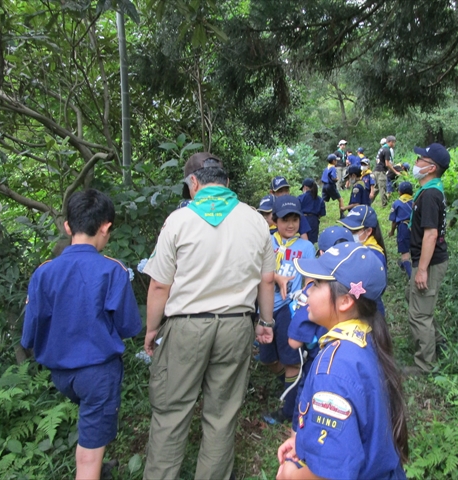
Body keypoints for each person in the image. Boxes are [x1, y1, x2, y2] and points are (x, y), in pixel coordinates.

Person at [141, 152, 275, 480]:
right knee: (222, 416)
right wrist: (266, 322)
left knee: (171, 413)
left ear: (193, 184)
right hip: (236, 327)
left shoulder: (179, 221)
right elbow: (267, 279)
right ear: (227, 183)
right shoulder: (256, 220)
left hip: (185, 329)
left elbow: (159, 285)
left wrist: (151, 330)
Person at [21, 189, 142, 480]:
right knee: (89, 455)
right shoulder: (112, 270)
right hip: (97, 375)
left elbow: (29, 336)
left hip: (61, 374)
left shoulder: (44, 272)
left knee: (91, 431)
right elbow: (128, 327)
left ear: (67, 227)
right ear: (106, 227)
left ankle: (100, 469)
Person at [276, 243, 408, 480]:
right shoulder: (365, 339)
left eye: (315, 285)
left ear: (346, 301)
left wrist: (290, 475)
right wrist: (304, 441)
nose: (307, 293)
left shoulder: (334, 370)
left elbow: (330, 474)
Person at [285, 226, 353, 433]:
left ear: (321, 254)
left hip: (317, 362)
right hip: (346, 373)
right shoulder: (362, 293)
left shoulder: (312, 296)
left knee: (308, 401)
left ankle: (299, 436)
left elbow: (294, 342)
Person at [260, 195, 316, 425]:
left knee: (291, 358)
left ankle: (289, 407)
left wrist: (306, 302)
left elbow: (310, 278)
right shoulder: (265, 242)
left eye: (295, 219)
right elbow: (253, 269)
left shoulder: (306, 247)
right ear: (274, 220)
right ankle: (291, 381)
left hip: (289, 308)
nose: (291, 224)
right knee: (267, 358)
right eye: (285, 219)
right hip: (265, 306)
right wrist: (275, 277)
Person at [406, 143, 450, 376]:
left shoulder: (431, 194)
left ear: (431, 167)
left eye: (420, 159)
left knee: (420, 314)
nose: (416, 163)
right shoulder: (431, 190)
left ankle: (425, 364)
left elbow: (431, 234)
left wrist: (422, 269)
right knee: (413, 297)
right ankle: (435, 341)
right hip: (425, 260)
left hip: (429, 263)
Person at [339, 205, 388, 316]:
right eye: (347, 229)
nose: (349, 233)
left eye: (354, 231)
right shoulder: (358, 248)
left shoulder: (373, 255)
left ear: (368, 231)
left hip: (368, 310)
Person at [389, 181, 414, 279]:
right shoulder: (415, 201)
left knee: (405, 253)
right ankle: (404, 265)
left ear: (399, 192)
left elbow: (394, 221)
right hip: (415, 227)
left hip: (403, 227)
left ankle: (411, 277)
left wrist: (392, 231)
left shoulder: (396, 203)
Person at [375, 136, 400, 207]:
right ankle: (384, 205)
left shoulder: (382, 149)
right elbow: (387, 163)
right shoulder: (387, 150)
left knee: (376, 189)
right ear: (391, 142)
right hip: (381, 171)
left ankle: (367, 202)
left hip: (376, 170)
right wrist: (395, 171)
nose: (394, 144)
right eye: (394, 142)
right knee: (382, 188)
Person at [298, 178, 326, 244]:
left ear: (305, 187)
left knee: (301, 241)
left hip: (302, 219)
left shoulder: (301, 198)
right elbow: (322, 213)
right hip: (314, 221)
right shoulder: (319, 199)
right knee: (311, 243)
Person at [321, 154, 345, 218]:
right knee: (340, 199)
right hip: (330, 186)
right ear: (333, 161)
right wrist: (337, 179)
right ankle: (342, 215)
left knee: (323, 201)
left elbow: (323, 178)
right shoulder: (333, 168)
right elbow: (333, 177)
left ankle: (318, 213)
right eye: (336, 160)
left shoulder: (326, 168)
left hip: (324, 186)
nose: (336, 162)